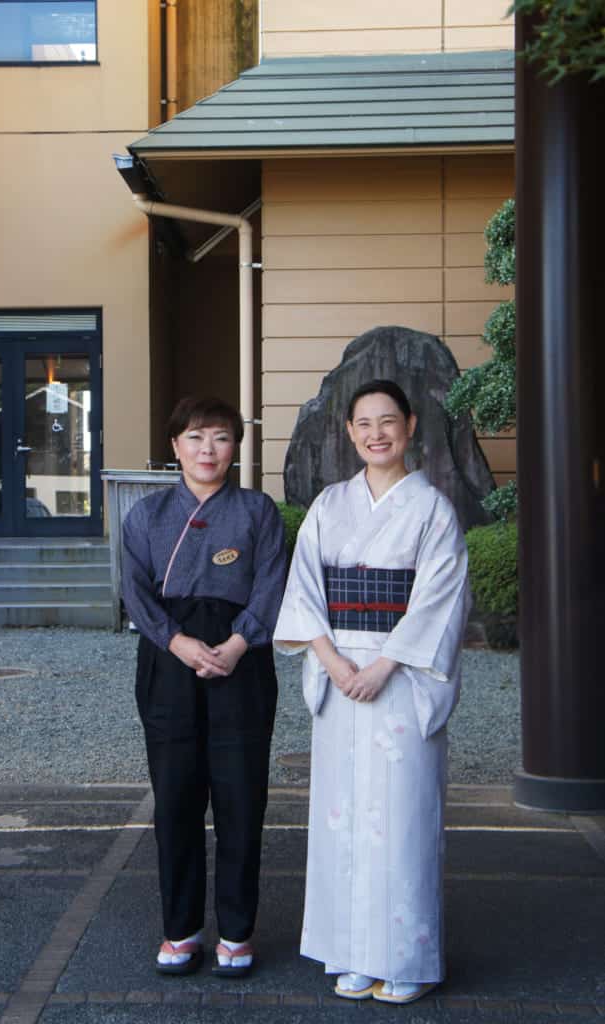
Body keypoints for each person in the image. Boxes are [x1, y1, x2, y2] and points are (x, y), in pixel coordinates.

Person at [273, 379, 470, 1005]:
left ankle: (406, 956)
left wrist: (382, 667)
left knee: (404, 820)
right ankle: (352, 951)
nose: (376, 433)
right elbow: (304, 591)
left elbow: (439, 601)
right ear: (350, 432)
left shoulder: (433, 510)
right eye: (364, 423)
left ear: (410, 426)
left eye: (388, 421)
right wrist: (331, 661)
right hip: (340, 676)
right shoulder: (330, 506)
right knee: (342, 822)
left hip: (401, 679)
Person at [122, 396, 287, 978]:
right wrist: (178, 642)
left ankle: (238, 931)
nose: (207, 450)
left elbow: (271, 584)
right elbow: (136, 593)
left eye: (219, 437)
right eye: (194, 438)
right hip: (170, 658)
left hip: (241, 658)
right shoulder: (145, 514)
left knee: (242, 797)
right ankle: (181, 928)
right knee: (177, 798)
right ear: (174, 447)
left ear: (236, 445)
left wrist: (239, 643)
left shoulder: (258, 510)